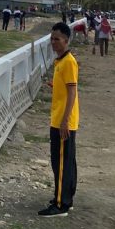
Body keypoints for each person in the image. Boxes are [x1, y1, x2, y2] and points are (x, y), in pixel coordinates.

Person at [38, 22, 78, 217]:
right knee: (67, 161)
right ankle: (65, 197)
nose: (53, 42)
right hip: (59, 118)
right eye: (52, 38)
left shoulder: (69, 62)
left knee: (61, 162)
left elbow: (72, 92)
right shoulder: (60, 62)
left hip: (63, 121)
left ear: (66, 40)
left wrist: (65, 121)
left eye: (57, 39)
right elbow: (65, 89)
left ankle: (61, 205)